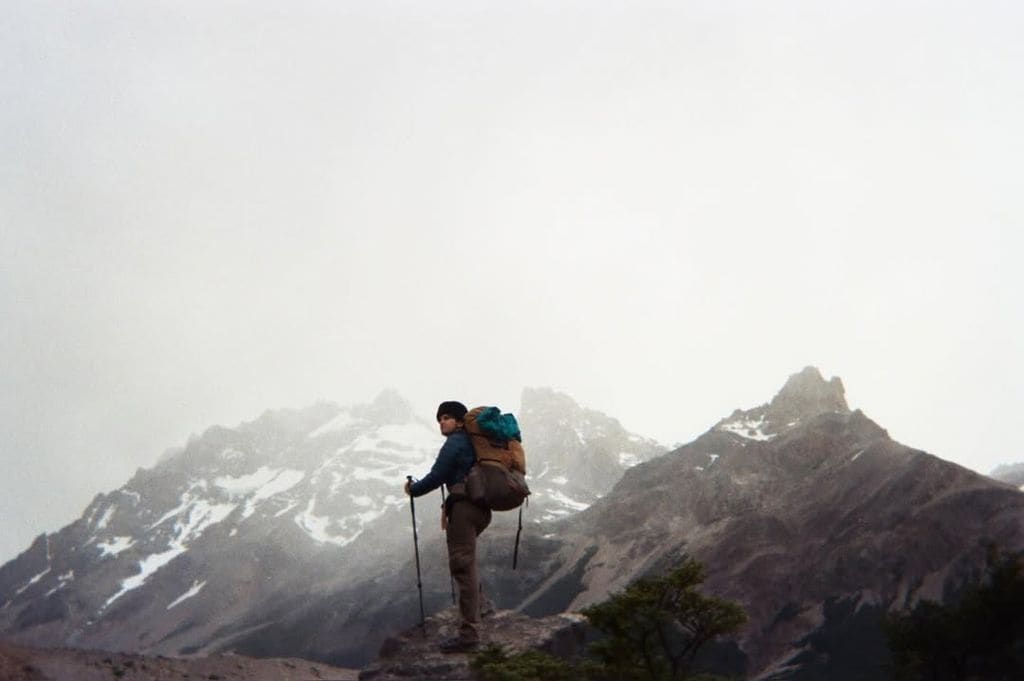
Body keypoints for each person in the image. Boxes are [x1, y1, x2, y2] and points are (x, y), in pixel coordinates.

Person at [404, 400, 492, 653]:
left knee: (462, 566)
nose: (442, 422)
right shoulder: (475, 443)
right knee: (469, 563)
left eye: (446, 418)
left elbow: (438, 475)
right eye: (440, 419)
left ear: (459, 421)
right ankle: (477, 616)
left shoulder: (455, 442)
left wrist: (414, 490)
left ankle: (469, 636)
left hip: (463, 508)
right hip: (481, 509)